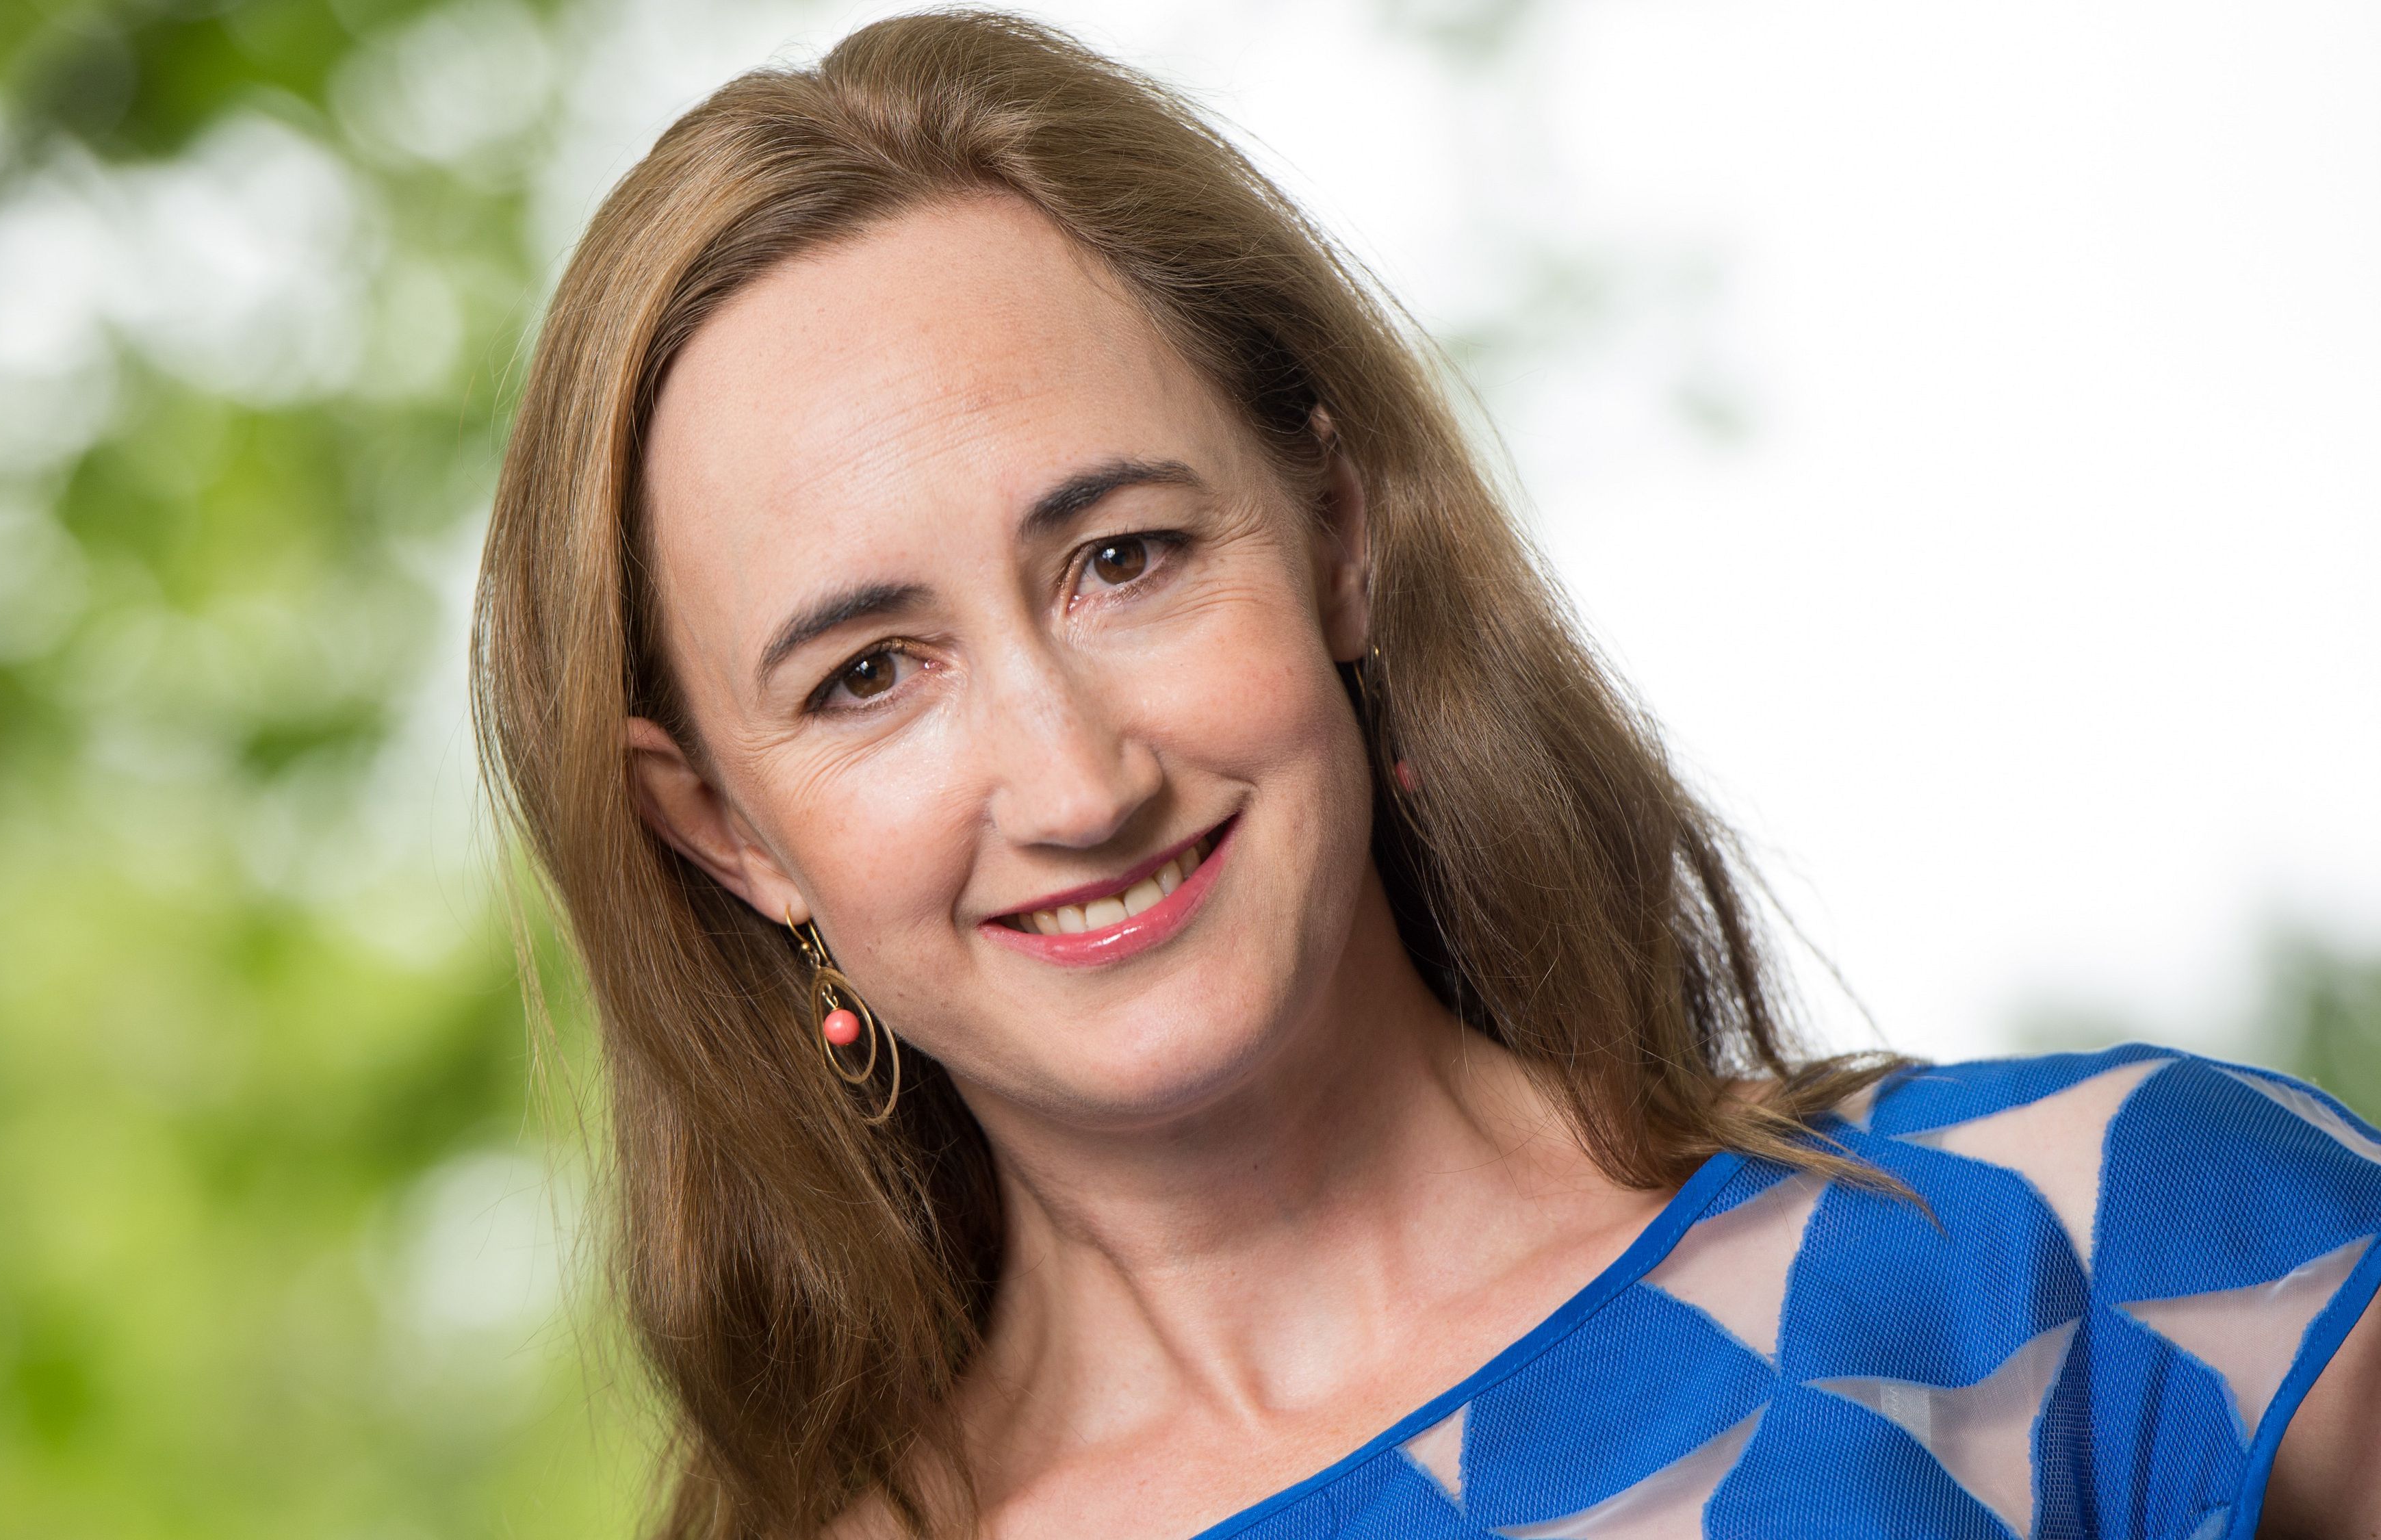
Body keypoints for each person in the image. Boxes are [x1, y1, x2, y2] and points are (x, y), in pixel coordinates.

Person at [470, 13, 2381, 1539]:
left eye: (1124, 556)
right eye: (871, 672)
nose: (1071, 775)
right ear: (722, 826)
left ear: (1336, 533)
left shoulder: (2121, 1257)